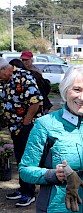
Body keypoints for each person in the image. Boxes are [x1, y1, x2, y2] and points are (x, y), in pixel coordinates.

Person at [19, 64, 83, 213]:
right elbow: (25, 170)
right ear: (66, 90)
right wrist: (53, 174)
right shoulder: (44, 125)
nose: (82, 98)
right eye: (76, 89)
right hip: (56, 207)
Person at [0, 57, 44, 207]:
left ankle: (29, 193)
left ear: (5, 69)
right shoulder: (7, 79)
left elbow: (36, 100)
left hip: (26, 127)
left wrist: (26, 122)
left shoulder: (24, 77)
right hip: (15, 127)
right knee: (19, 158)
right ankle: (23, 187)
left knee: (27, 159)